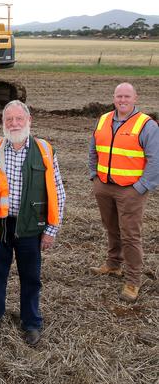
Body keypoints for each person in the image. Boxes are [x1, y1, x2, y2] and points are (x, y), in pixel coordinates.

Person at [0, 100, 66, 346]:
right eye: (9, 120)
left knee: (31, 276)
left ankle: (31, 322)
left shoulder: (44, 150)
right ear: (3, 123)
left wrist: (52, 229)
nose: (14, 124)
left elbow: (57, 191)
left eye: (19, 119)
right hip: (1, 226)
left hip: (31, 227)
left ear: (29, 121)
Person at [88, 82, 158, 302]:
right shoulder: (103, 120)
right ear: (113, 97)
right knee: (111, 228)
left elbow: (156, 159)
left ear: (135, 98)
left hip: (131, 190)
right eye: (119, 96)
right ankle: (113, 264)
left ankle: (133, 280)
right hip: (104, 186)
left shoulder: (146, 125)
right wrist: (94, 175)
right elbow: (93, 149)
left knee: (130, 235)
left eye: (127, 96)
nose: (122, 100)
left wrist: (142, 187)